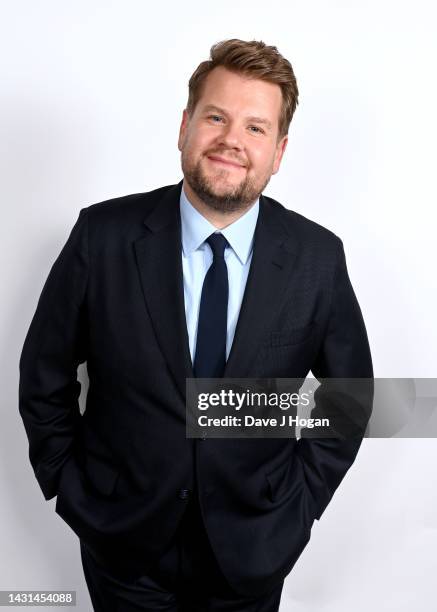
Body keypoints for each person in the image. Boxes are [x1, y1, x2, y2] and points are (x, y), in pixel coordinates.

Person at [18, 38, 373, 611]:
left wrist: (301, 501)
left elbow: (349, 396)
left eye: (256, 128)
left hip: (253, 547)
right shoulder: (101, 237)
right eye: (216, 117)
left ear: (279, 151)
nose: (232, 140)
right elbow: (44, 373)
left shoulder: (317, 259)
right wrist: (68, 484)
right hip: (124, 547)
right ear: (185, 126)